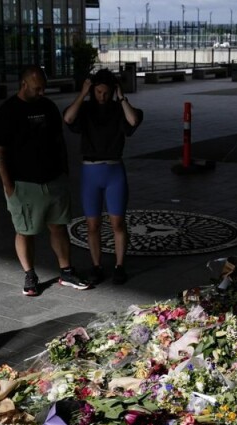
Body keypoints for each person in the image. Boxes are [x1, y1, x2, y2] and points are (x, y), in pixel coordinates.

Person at [0, 65, 92, 296]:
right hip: (24, 183)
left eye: (44, 88)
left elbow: (58, 140)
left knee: (58, 226)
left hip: (54, 179)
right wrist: (8, 185)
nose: (42, 93)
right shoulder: (7, 111)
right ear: (24, 84)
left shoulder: (48, 106)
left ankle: (66, 271)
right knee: (25, 230)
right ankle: (30, 274)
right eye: (37, 88)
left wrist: (64, 171)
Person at [62, 69, 143, 285]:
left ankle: (119, 265)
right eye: (98, 92)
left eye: (106, 92)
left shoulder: (119, 109)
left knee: (117, 223)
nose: (102, 96)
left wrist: (121, 96)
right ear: (92, 91)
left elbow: (133, 121)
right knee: (93, 225)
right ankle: (96, 265)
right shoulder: (86, 109)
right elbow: (68, 118)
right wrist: (82, 93)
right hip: (91, 171)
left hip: (114, 170)